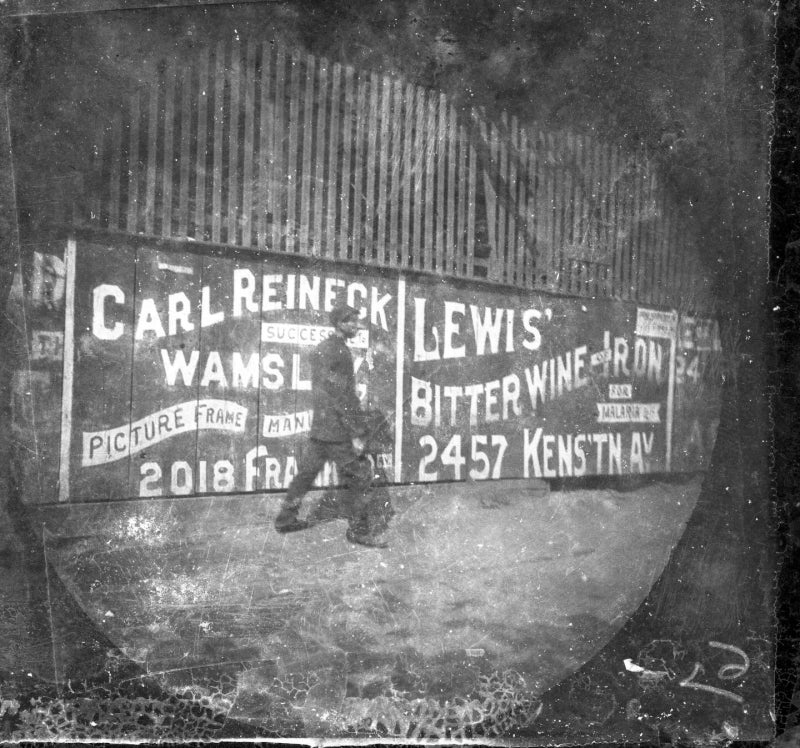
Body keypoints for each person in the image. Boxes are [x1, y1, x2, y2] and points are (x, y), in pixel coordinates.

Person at [274, 303, 389, 548]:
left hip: (321, 428)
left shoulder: (323, 349)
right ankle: (359, 530)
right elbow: (341, 395)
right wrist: (357, 433)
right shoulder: (339, 353)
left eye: (357, 321)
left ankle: (285, 519)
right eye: (352, 322)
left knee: (306, 475)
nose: (357, 326)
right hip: (337, 432)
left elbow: (326, 392)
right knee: (361, 477)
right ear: (340, 323)